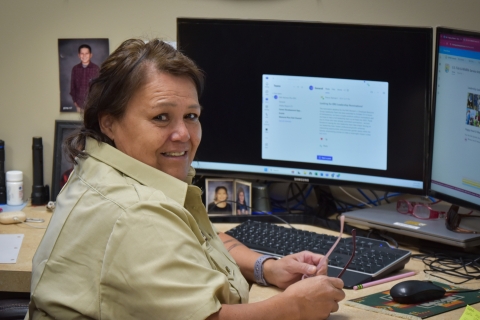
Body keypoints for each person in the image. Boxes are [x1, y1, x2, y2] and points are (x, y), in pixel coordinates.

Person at [27, 39, 345, 319]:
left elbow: (195, 243)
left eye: (191, 116)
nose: (183, 135)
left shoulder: (106, 170)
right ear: (109, 123)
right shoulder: (136, 213)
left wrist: (268, 266)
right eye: (160, 117)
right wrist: (294, 308)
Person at [70, 44, 100, 112]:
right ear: (79, 55)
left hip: (92, 105)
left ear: (90, 55)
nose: (84, 56)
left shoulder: (96, 69)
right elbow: (73, 87)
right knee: (79, 122)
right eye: (82, 54)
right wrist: (75, 101)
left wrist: (94, 102)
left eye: (86, 53)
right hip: (79, 104)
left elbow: (98, 87)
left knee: (91, 122)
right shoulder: (75, 69)